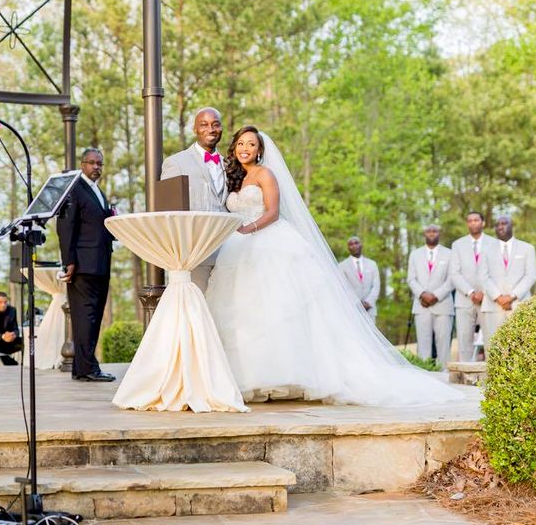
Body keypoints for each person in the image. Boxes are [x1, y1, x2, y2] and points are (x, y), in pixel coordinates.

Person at [204, 126, 463, 406]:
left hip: (265, 241)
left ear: (260, 149)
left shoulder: (266, 174)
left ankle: (285, 377)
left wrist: (248, 228)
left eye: (251, 144)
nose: (245, 148)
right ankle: (249, 377)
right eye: (241, 143)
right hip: (237, 250)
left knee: (278, 308)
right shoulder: (235, 178)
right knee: (244, 311)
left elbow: (273, 212)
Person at [57, 147, 116, 382]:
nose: (96, 167)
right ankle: (87, 368)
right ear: (82, 165)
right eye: (91, 163)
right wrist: (69, 261)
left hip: (100, 263)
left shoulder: (97, 191)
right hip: (83, 265)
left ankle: (83, 367)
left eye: (99, 163)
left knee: (93, 317)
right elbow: (65, 227)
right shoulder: (74, 189)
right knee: (85, 317)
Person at [161, 107, 227, 290]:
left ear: (221, 128)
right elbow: (168, 212)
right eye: (204, 125)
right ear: (195, 129)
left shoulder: (230, 164)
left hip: (228, 255)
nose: (211, 129)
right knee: (196, 311)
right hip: (194, 254)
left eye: (215, 124)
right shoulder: (176, 163)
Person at [478, 216, 536, 342]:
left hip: (519, 305)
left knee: (520, 344)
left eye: (504, 223)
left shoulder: (527, 248)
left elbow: (531, 276)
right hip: (492, 306)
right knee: (493, 346)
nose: (500, 226)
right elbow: (483, 276)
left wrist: (511, 297)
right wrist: (498, 297)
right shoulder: (485, 249)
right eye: (497, 224)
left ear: (512, 226)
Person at [449, 212, 495, 362]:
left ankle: (492, 376)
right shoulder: (457, 245)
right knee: (464, 340)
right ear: (467, 224)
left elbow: (496, 271)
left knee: (491, 339)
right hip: (464, 299)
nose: (473, 223)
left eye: (476, 220)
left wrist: (484, 292)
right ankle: (465, 378)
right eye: (470, 221)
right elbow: (454, 273)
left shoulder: (494, 243)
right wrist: (471, 292)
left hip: (487, 299)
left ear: (483, 222)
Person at [407, 225, 454, 368]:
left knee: (443, 345)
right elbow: (411, 279)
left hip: (443, 305)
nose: (431, 233)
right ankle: (424, 375)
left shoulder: (450, 253)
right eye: (428, 231)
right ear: (424, 234)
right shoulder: (415, 254)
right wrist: (423, 294)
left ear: (439, 233)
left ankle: (444, 376)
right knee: (423, 345)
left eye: (435, 231)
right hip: (422, 306)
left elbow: (452, 279)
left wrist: (436, 296)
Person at [338, 236, 381, 323]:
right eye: (351, 244)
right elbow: (342, 288)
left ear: (361, 245)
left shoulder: (372, 264)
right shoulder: (342, 266)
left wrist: (368, 303)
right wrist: (356, 304)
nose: (354, 246)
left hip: (370, 310)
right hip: (352, 310)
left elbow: (376, 286)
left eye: (356, 243)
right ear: (348, 248)